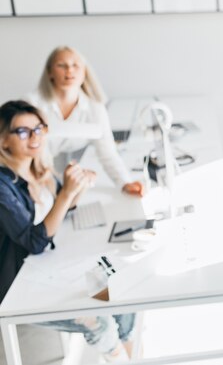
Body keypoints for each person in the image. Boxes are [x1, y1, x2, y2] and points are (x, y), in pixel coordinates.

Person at [0, 100, 135, 362]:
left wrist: (77, 187)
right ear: (4, 141)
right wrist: (66, 194)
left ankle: (131, 354)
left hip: (49, 267)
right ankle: (122, 358)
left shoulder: (36, 169)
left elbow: (58, 212)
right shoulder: (2, 186)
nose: (35, 137)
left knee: (122, 289)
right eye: (23, 131)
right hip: (18, 286)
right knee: (101, 321)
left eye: (38, 128)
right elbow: (34, 241)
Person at [26, 46, 144, 196]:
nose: (69, 70)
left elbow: (108, 153)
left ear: (84, 72)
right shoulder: (31, 105)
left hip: (65, 177)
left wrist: (125, 182)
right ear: (50, 72)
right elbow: (28, 153)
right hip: (33, 172)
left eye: (75, 65)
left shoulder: (95, 108)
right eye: (62, 65)